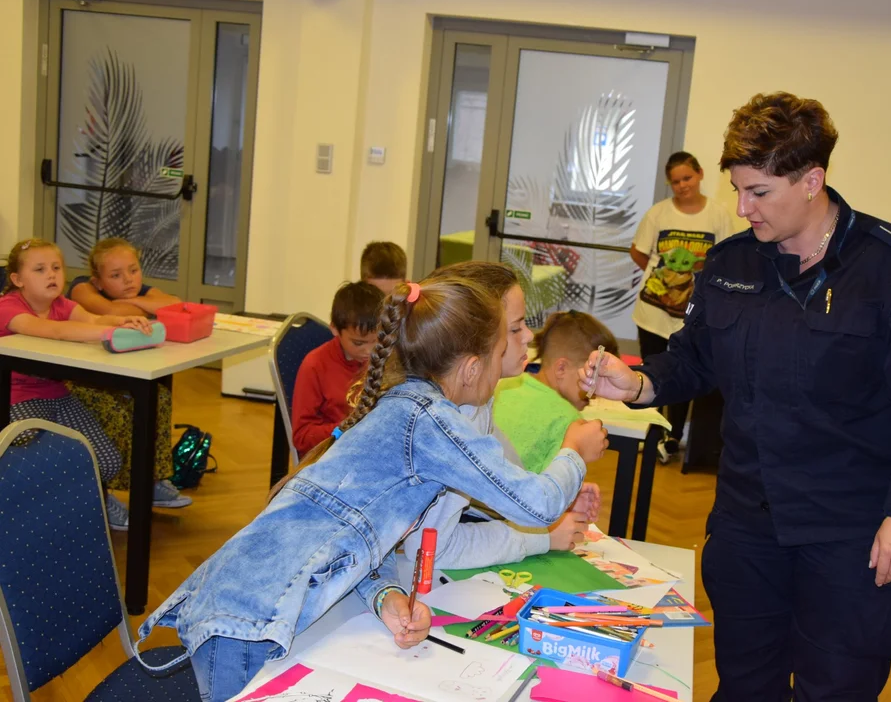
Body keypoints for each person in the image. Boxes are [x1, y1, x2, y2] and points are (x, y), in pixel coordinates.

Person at [582, 92, 891, 701]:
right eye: (737, 189)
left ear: (812, 180)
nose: (741, 207)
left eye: (759, 192)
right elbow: (696, 356)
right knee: (745, 684)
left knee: (836, 686)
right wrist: (641, 383)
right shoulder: (732, 264)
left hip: (852, 530)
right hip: (747, 524)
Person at [137, 276, 609, 701]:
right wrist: (573, 449)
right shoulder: (431, 423)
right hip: (250, 624)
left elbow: (348, 537)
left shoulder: (407, 408)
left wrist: (385, 597)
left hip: (257, 613)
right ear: (469, 368)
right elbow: (537, 505)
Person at [402, 262, 602, 570]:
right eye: (515, 327)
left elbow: (506, 475)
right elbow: (433, 550)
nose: (530, 336)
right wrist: (542, 536)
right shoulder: (454, 421)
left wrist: (560, 488)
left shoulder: (475, 400)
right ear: (475, 344)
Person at [0, 238, 154, 531]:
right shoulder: (7, 307)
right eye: (40, 269)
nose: (51, 275)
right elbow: (54, 331)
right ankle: (49, 513)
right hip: (14, 398)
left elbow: (94, 320)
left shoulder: (62, 304)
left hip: (57, 395)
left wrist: (123, 323)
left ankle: (92, 499)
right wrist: (109, 331)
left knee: (107, 462)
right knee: (31, 460)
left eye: (56, 267)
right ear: (17, 279)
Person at [67, 237, 190, 509]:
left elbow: (175, 303)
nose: (128, 279)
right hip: (81, 377)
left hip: (122, 373)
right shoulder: (81, 288)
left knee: (159, 397)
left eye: (133, 270)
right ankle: (107, 488)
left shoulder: (138, 290)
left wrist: (134, 301)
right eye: (116, 275)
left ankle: (152, 480)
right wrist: (145, 304)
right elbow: (110, 310)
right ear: (98, 281)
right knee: (121, 409)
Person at [630, 152, 735, 461]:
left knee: (681, 372)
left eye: (687, 178)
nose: (681, 185)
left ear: (700, 174)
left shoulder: (718, 215)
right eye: (675, 181)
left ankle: (673, 436)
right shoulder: (658, 214)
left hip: (692, 315)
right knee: (650, 372)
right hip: (652, 314)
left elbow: (725, 259)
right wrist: (660, 276)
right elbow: (638, 252)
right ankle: (650, 434)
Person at [494, 310, 619, 474]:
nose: (599, 390)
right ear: (561, 368)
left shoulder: (508, 384)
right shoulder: (572, 423)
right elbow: (558, 489)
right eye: (595, 376)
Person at [291, 280, 382, 458]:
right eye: (358, 343)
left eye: (377, 340)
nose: (370, 351)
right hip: (333, 456)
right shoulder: (315, 365)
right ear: (334, 328)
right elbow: (302, 437)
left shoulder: (385, 356)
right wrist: (347, 427)